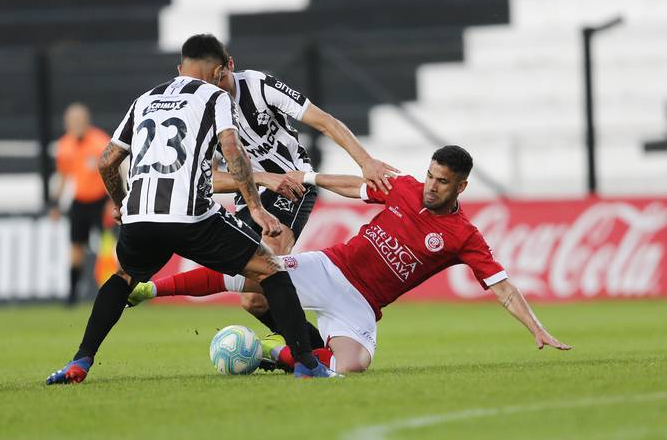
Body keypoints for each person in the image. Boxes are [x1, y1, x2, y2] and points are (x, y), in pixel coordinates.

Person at [46, 35, 339, 385]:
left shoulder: (146, 99)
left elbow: (108, 160)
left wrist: (121, 202)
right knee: (271, 271)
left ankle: (80, 362)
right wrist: (256, 208)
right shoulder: (215, 96)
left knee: (123, 278)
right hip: (191, 215)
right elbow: (232, 149)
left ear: (179, 69)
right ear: (218, 70)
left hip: (141, 215)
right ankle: (308, 364)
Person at [129, 145, 571, 373]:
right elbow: (352, 186)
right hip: (332, 268)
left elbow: (503, 287)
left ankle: (272, 355)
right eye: (431, 176)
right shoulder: (403, 188)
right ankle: (153, 288)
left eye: (442, 182)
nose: (431, 187)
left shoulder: (463, 236)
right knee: (256, 272)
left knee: (350, 367)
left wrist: (538, 329)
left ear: (462, 187)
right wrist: (308, 177)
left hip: (361, 305)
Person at [129, 33, 399, 348]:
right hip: (251, 197)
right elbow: (206, 178)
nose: (214, 85)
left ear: (229, 65)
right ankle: (314, 350)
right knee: (253, 301)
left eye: (220, 76)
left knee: (269, 265)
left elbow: (324, 121)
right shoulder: (197, 111)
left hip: (294, 184)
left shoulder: (259, 86)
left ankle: (313, 346)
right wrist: (262, 178)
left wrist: (365, 162)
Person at [50, 102, 111, 305]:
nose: (76, 124)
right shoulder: (64, 146)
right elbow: (62, 177)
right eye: (72, 120)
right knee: (76, 248)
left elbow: (113, 172)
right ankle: (72, 293)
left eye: (79, 120)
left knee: (109, 247)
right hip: (80, 201)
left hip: (101, 200)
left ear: (87, 121)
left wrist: (114, 201)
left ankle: (117, 290)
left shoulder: (100, 141)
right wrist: (55, 204)